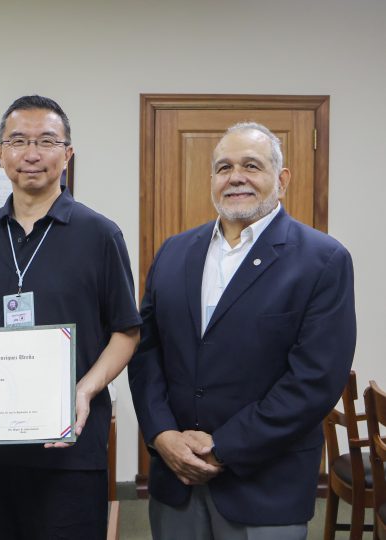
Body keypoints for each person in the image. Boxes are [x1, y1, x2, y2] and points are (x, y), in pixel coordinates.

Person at [128, 122, 356, 539]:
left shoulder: (322, 260)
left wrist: (221, 447)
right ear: (213, 179)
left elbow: (315, 380)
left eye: (252, 165)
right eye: (224, 167)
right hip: (175, 481)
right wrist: (162, 435)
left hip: (266, 488)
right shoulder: (174, 252)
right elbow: (146, 353)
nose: (236, 177)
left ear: (281, 180)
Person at [0, 95, 142, 539]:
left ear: (67, 154)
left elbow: (126, 332)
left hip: (68, 444)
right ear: (0, 153)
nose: (31, 154)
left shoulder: (100, 233)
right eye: (18, 140)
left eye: (46, 141)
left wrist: (84, 391)